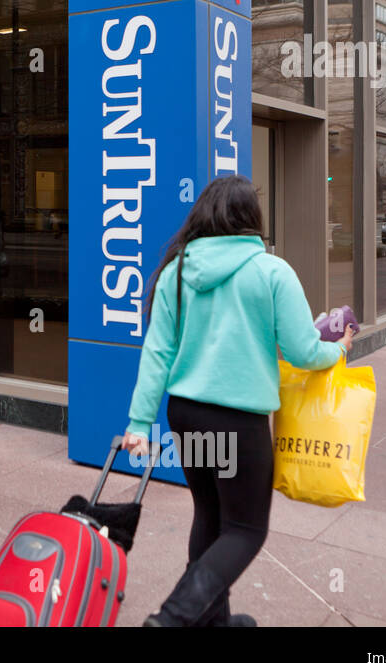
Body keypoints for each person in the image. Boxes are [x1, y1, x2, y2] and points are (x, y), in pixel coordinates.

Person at [122, 175, 353, 627]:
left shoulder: (176, 271)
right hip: (236, 424)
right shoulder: (270, 271)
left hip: (187, 416)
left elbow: (157, 351)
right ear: (251, 219)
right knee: (245, 529)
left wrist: (138, 422)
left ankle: (214, 624)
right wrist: (338, 348)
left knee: (210, 514)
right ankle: (173, 618)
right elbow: (305, 351)